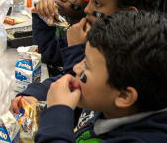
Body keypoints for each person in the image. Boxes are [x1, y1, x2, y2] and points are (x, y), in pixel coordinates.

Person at [15, 0, 161, 101]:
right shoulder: (95, 37)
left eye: (97, 3)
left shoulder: (131, 60)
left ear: (127, 14)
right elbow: (61, 72)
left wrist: (76, 50)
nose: (87, 9)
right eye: (89, 1)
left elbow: (78, 87)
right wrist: (31, 94)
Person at [14, 11, 167, 142]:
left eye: (87, 65)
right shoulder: (105, 101)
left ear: (123, 96)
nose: (76, 67)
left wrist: (57, 112)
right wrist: (34, 95)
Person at [32, 0, 95, 76]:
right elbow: (47, 53)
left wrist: (75, 48)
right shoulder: (67, 23)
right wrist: (44, 16)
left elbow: (75, 80)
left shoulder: (89, 39)